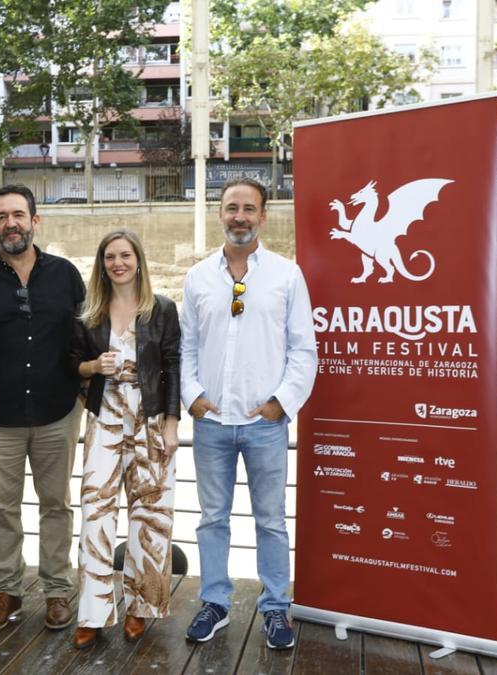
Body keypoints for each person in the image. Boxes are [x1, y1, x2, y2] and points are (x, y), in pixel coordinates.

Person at [180, 178, 317, 650]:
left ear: (263, 216)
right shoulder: (198, 277)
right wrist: (191, 394)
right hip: (212, 422)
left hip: (264, 424)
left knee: (271, 521)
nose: (239, 216)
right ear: (220, 213)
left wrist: (281, 403)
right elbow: (188, 347)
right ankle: (215, 603)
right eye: (231, 208)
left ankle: (276, 608)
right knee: (212, 518)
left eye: (249, 209)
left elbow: (304, 349)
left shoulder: (286, 275)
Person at [0, 184, 85, 633]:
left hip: (57, 412)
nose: (11, 223)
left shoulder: (66, 275)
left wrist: (86, 397)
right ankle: (7, 591)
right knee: (1, 508)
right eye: (2, 216)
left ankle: (57, 592)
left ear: (35, 220)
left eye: (19, 215)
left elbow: (83, 339)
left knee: (56, 506)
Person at [67, 230, 181, 649]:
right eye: (110, 256)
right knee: (96, 511)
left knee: (150, 514)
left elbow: (173, 366)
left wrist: (171, 424)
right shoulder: (89, 313)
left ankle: (140, 607)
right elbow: (71, 367)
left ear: (138, 259)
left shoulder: (162, 309)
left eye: (125, 255)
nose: (118, 263)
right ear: (102, 263)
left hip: (151, 419)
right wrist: (94, 366)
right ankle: (93, 612)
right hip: (104, 418)